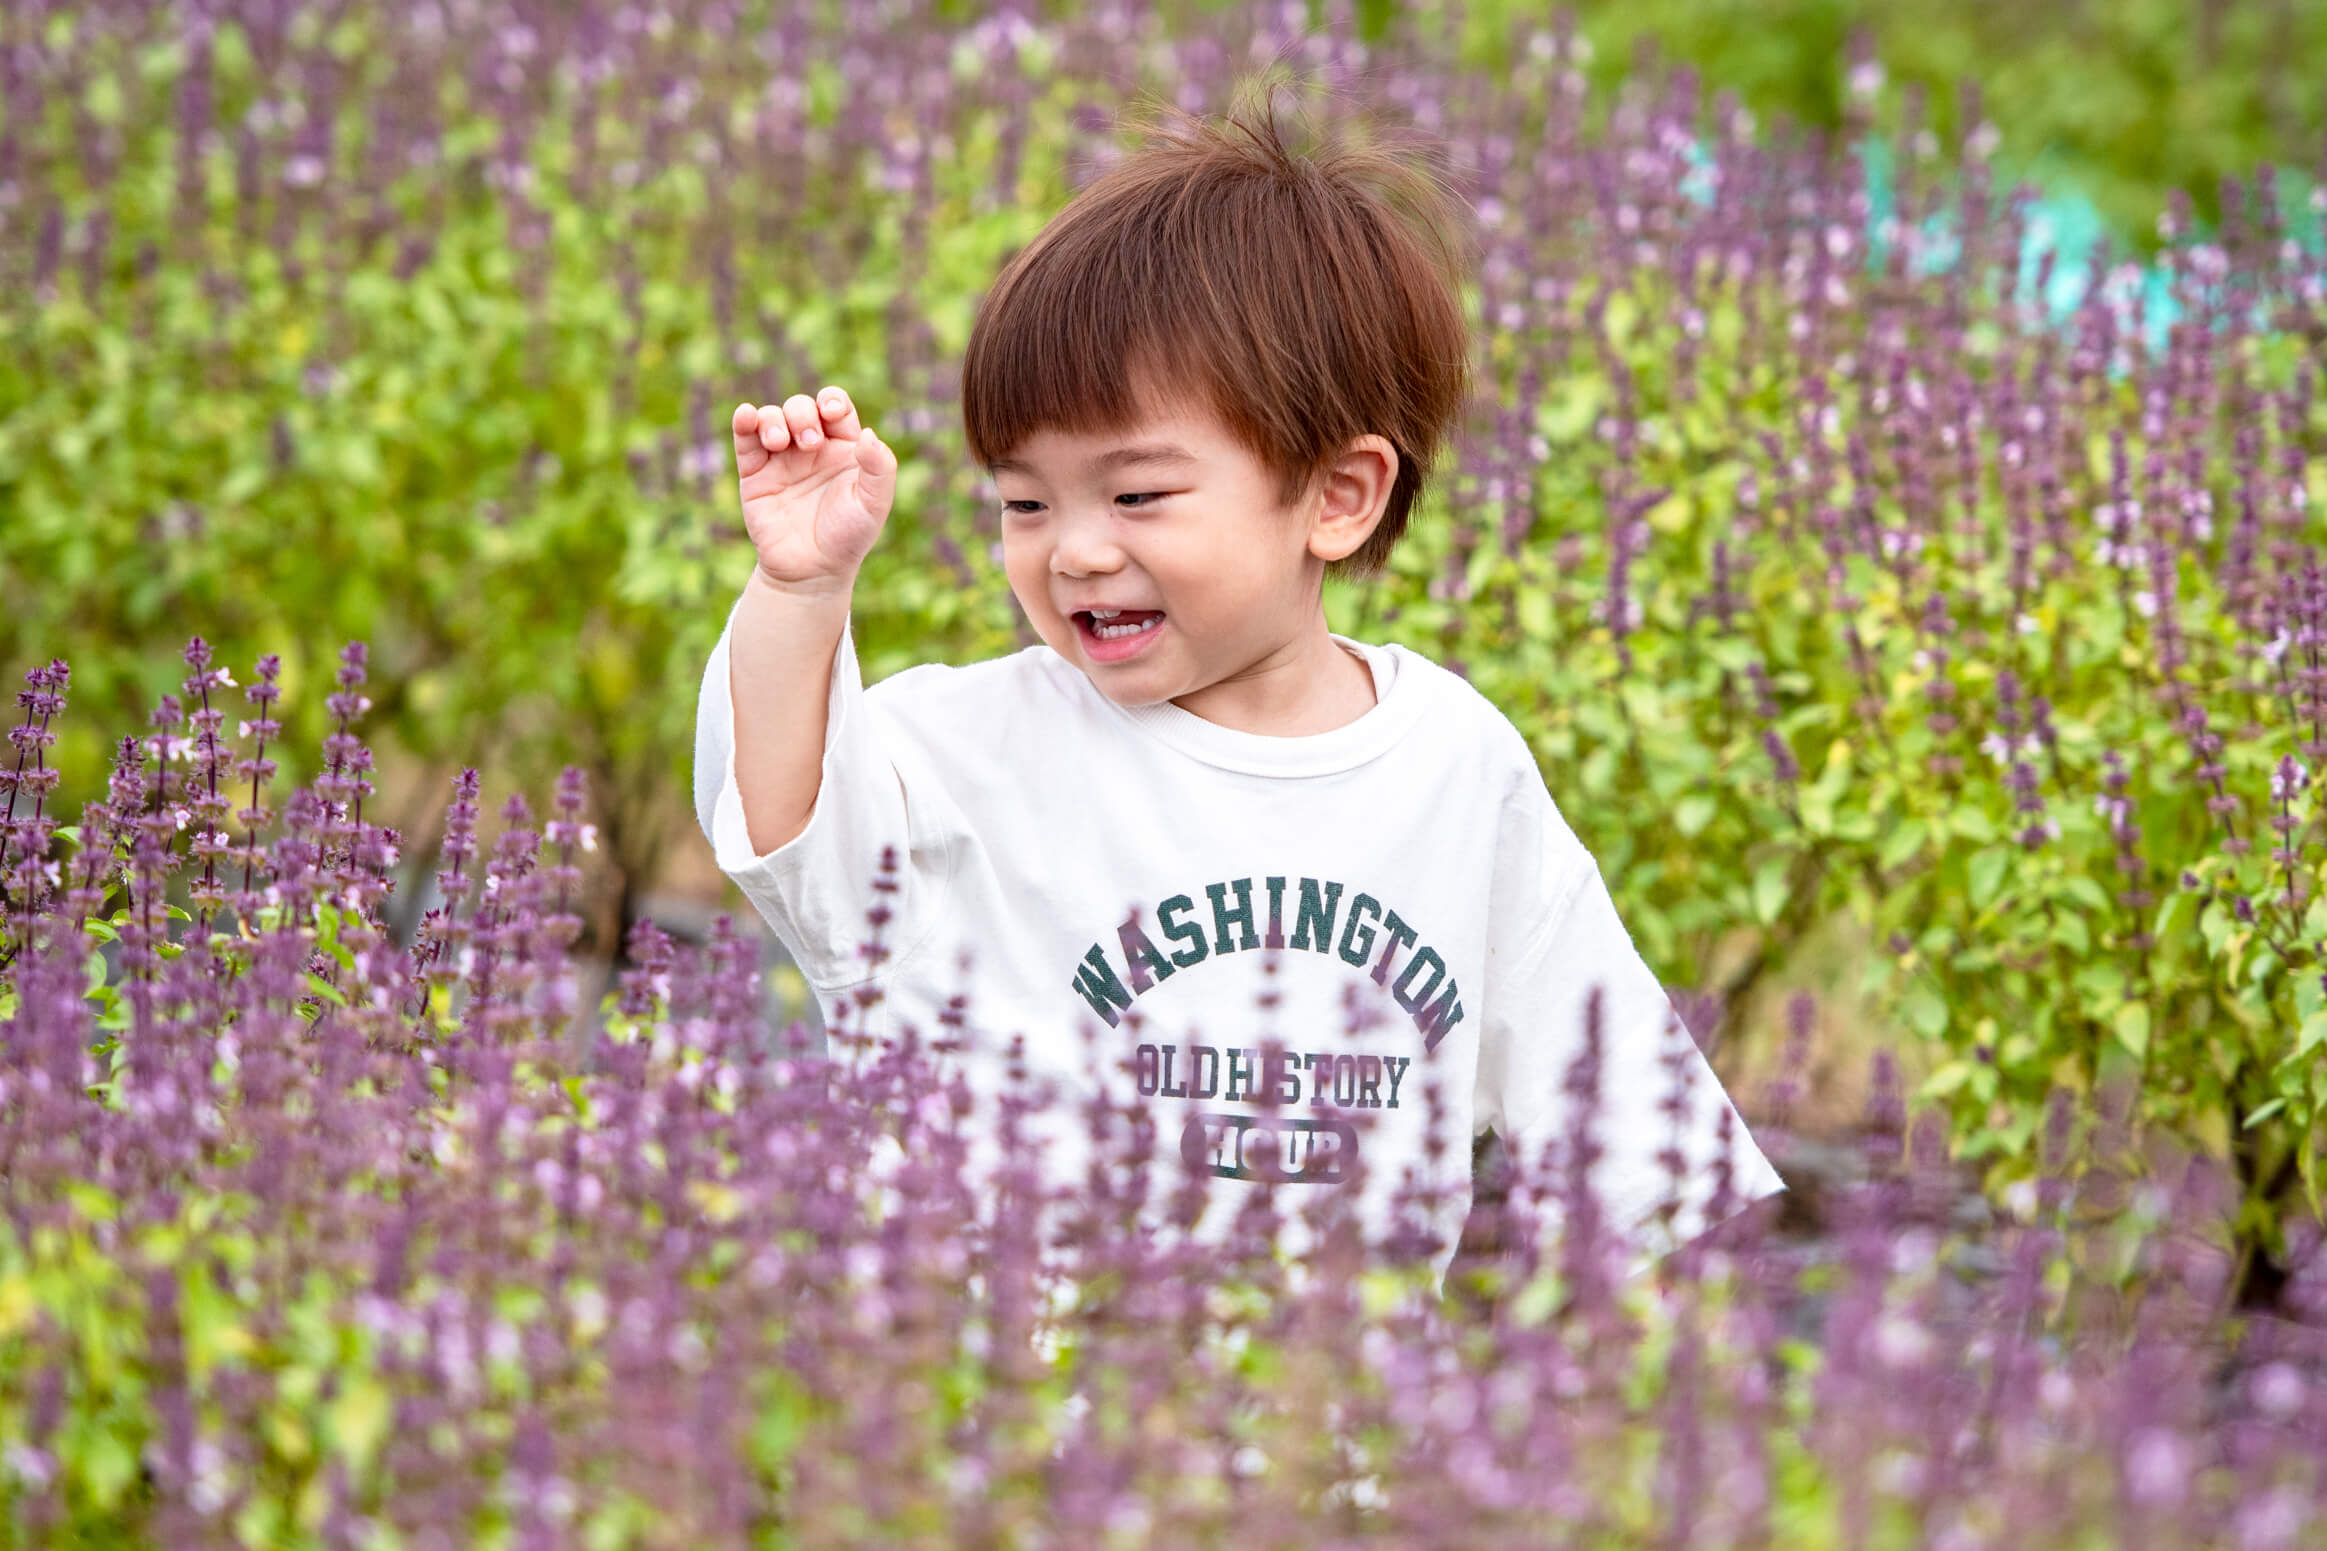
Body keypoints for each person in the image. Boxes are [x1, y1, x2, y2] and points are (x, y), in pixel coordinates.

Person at [693, 86, 1784, 1284]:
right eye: (1024, 502)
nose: (1075, 551)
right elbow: (788, 818)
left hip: (1327, 1447)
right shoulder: (980, 747)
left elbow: (1641, 1145)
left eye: (1138, 494)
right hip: (1012, 1433)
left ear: (1336, 496)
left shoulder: (1453, 773)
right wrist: (800, 594)